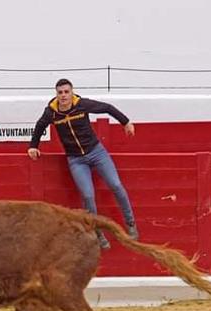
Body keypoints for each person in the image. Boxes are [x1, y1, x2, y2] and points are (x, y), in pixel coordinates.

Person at [28, 78, 138, 249]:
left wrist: (125, 122)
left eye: (66, 92)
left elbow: (107, 108)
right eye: (60, 92)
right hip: (76, 159)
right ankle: (97, 233)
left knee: (116, 185)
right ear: (56, 94)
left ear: (72, 92)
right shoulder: (51, 112)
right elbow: (40, 125)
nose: (64, 95)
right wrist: (33, 146)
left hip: (96, 152)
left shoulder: (82, 104)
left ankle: (130, 222)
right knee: (87, 196)